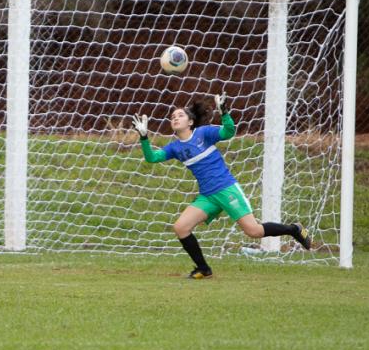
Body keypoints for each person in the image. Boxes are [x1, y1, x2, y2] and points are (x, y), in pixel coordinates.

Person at [131, 93, 311, 279]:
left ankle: (294, 229)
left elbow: (228, 132)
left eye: (180, 115)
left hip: (226, 189)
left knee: (253, 231)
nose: (175, 118)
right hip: (207, 196)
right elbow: (151, 158)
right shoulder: (174, 148)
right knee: (181, 227)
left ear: (191, 122)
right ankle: (203, 268)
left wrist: (224, 112)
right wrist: (144, 137)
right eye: (172, 117)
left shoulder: (204, 133)